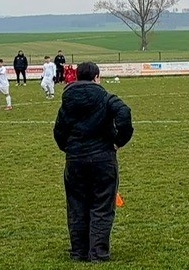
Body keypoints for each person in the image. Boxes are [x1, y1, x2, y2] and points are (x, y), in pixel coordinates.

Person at [53, 62, 134, 263]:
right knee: (102, 205)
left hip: (75, 160)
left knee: (76, 205)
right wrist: (119, 140)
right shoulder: (106, 97)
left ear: (77, 77)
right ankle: (98, 252)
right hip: (102, 158)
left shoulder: (68, 101)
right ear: (97, 77)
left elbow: (59, 130)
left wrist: (69, 148)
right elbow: (124, 112)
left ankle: (79, 251)